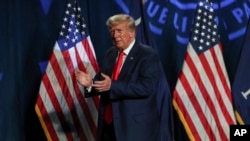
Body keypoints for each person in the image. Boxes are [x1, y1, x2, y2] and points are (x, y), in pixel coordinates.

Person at [75, 14, 162, 141]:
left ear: (132, 32)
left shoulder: (147, 55)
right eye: (112, 31)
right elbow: (103, 83)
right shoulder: (110, 54)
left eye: (119, 31)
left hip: (133, 128)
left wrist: (113, 85)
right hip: (107, 125)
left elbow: (147, 87)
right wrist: (90, 85)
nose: (115, 35)